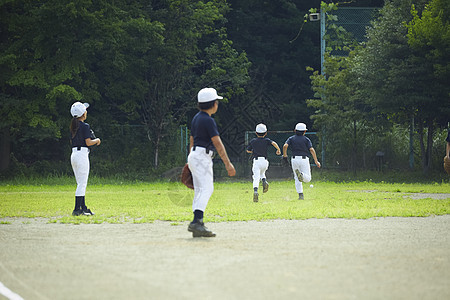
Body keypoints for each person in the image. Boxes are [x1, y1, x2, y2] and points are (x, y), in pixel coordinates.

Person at [187, 87, 236, 237]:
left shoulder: (196, 118)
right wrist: (228, 163)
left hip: (195, 154)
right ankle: (197, 222)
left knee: (200, 190)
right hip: (202, 156)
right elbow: (217, 143)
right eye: (216, 102)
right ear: (213, 104)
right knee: (207, 189)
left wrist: (191, 159)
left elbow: (192, 139)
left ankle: (198, 224)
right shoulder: (208, 120)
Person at [70, 102, 101, 216]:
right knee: (82, 184)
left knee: (80, 183)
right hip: (81, 155)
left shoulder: (73, 126)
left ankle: (83, 208)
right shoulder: (85, 126)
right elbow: (88, 142)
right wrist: (97, 140)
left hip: (74, 154)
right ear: (83, 113)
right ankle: (77, 209)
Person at [282, 123, 321, 200]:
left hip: (294, 159)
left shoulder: (291, 138)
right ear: (304, 131)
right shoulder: (306, 139)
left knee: (297, 178)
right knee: (308, 178)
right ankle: (302, 175)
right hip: (304, 159)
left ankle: (300, 195)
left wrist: (285, 156)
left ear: (295, 131)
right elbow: (311, 150)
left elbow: (285, 146)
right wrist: (316, 161)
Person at [246, 123, 281, 202]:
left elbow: (248, 150)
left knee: (256, 177)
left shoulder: (253, 141)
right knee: (262, 173)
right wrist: (278, 149)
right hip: (265, 161)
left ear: (256, 133)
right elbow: (274, 143)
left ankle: (255, 191)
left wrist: (253, 151)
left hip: (257, 161)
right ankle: (264, 181)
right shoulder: (266, 140)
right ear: (266, 133)